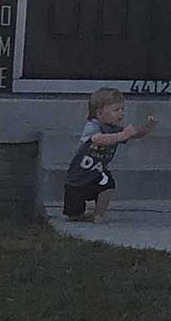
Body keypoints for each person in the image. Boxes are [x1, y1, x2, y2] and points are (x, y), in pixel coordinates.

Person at [60, 87, 159, 222]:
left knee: (108, 184)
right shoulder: (93, 126)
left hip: (97, 172)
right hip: (78, 176)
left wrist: (146, 128)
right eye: (116, 110)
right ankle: (75, 213)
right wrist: (122, 135)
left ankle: (98, 214)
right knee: (72, 215)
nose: (121, 114)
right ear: (99, 113)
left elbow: (134, 135)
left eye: (122, 109)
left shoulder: (115, 129)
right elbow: (98, 139)